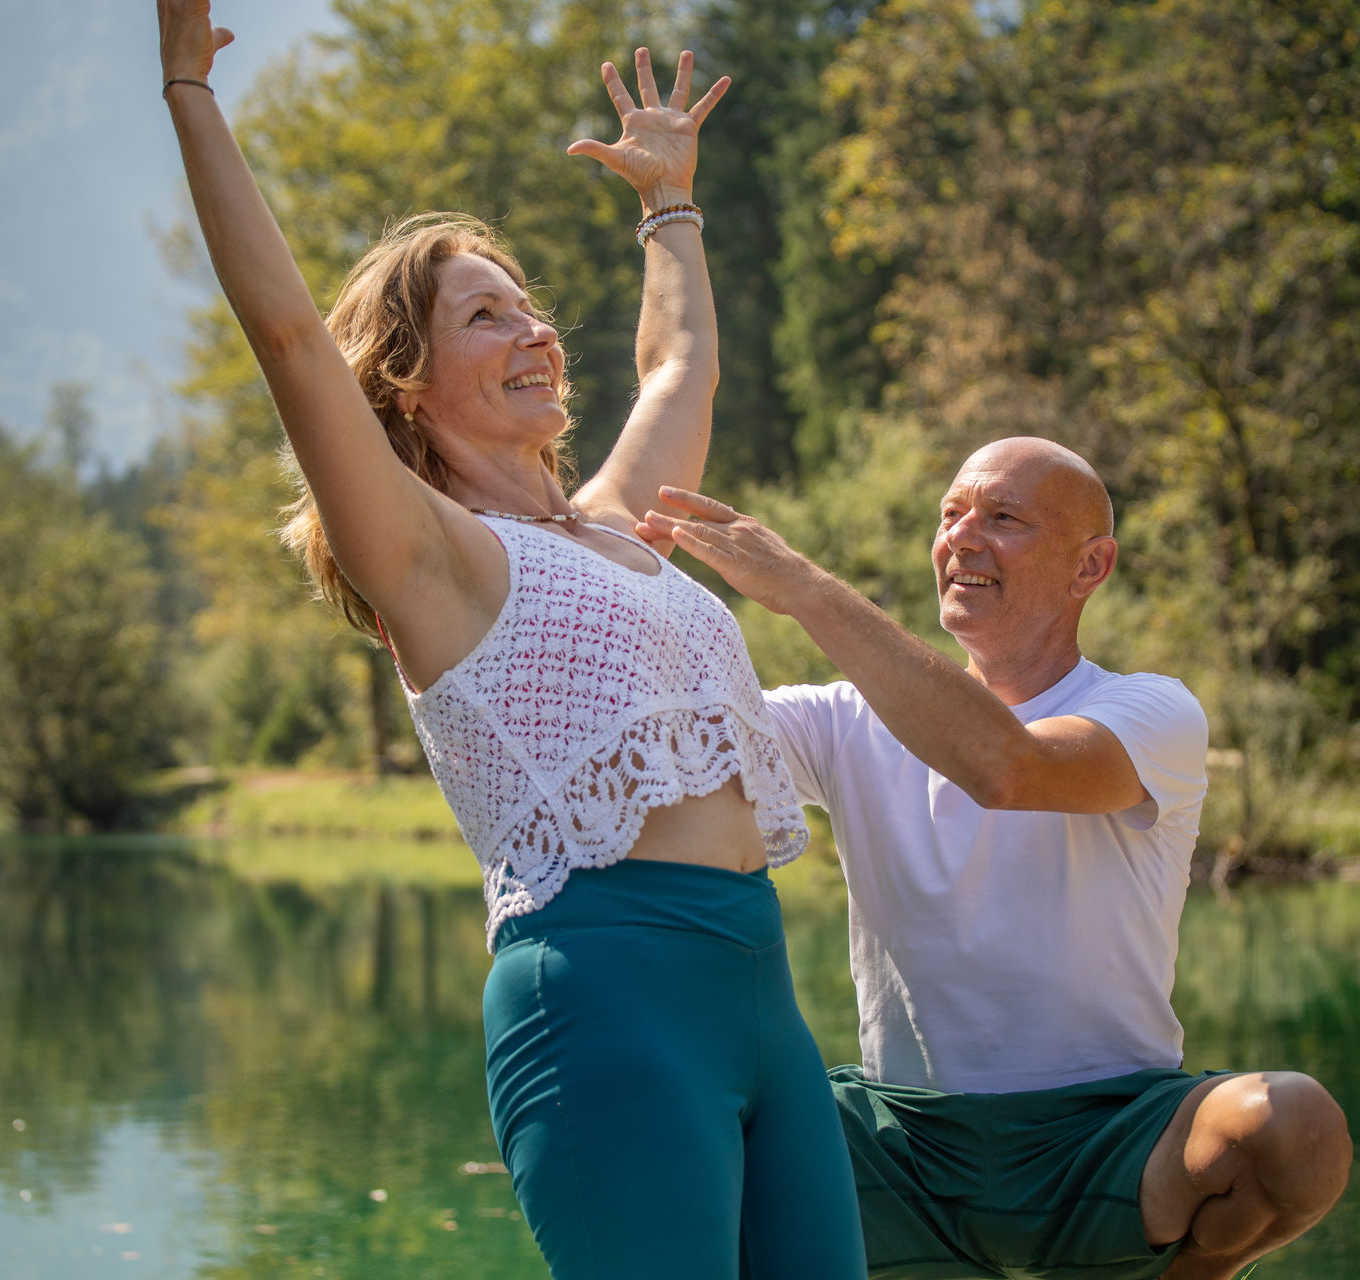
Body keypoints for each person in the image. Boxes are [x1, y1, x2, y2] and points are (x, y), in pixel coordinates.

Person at [154, 4, 866, 1276]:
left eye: (530, 307)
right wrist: (188, 93)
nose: (535, 331)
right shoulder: (436, 558)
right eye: (487, 316)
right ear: (409, 382)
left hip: (760, 993)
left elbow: (679, 366)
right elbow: (288, 342)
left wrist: (669, 208)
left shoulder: (612, 529)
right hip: (603, 997)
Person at [637, 437, 1352, 1280]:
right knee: (682, 1109)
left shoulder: (1151, 711)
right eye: (950, 516)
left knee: (1293, 1125)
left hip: (1110, 1137)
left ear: (1091, 567)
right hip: (900, 1148)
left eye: (1002, 518)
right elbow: (655, 743)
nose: (962, 537)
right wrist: (591, 569)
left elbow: (1009, 769)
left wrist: (805, 590)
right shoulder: (839, 721)